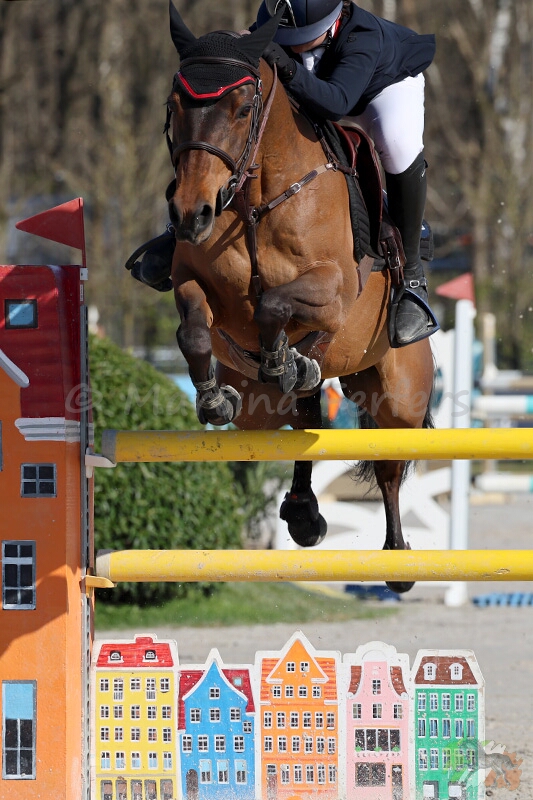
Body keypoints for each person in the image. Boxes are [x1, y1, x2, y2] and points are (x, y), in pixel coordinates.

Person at [130, 0, 438, 347]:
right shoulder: (275, 23)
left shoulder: (362, 37)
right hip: (313, 84)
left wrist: (287, 66)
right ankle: (180, 230)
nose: (294, 42)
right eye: (285, 35)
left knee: (397, 147)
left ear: (333, 20)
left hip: (378, 91)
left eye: (302, 37)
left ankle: (411, 279)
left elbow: (336, 103)